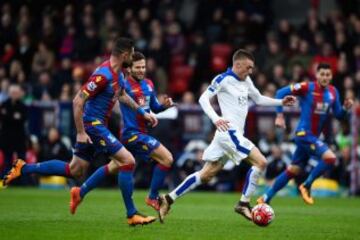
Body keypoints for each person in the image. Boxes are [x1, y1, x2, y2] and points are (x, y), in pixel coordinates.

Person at [3, 37, 158, 226]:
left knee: (74, 170)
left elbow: (122, 95)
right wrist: (81, 132)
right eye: (132, 54)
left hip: (99, 125)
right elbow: (77, 101)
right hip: (93, 125)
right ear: (125, 55)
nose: (133, 58)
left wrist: (143, 112)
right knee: (127, 161)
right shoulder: (103, 75)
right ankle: (131, 214)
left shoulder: (119, 74)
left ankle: (24, 168)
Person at [157, 49, 296, 223]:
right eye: (248, 67)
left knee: (206, 174)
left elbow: (258, 99)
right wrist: (216, 119)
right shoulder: (222, 79)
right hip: (229, 132)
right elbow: (203, 99)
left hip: (229, 135)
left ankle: (168, 199)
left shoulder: (246, 80)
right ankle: (243, 203)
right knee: (261, 162)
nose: (251, 71)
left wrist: (280, 102)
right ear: (237, 64)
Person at [70, 52, 174, 217]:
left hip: (139, 133)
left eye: (143, 67)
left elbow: (153, 106)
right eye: (137, 67)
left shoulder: (149, 84)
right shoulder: (122, 84)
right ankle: (152, 197)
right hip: (132, 134)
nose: (141, 70)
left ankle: (80, 192)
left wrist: (164, 106)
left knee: (114, 166)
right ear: (130, 68)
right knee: (167, 158)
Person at [257, 63, 353, 205]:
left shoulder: (333, 92)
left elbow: (339, 115)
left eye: (328, 74)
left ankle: (265, 198)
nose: (325, 77)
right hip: (303, 133)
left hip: (313, 137)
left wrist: (345, 109)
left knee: (293, 170)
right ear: (317, 75)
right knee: (331, 158)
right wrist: (280, 115)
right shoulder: (307, 87)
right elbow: (280, 93)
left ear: (331, 76)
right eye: (322, 74)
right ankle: (306, 185)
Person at [0, 84, 27, 180]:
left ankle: (22, 181)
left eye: (16, 92)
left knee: (21, 162)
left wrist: (8, 116)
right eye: (12, 92)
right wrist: (14, 117)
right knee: (7, 161)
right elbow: (3, 118)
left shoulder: (23, 106)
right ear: (9, 93)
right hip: (6, 138)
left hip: (19, 138)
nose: (14, 94)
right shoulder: (3, 105)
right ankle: (7, 180)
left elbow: (22, 119)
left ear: (19, 93)